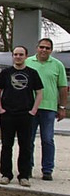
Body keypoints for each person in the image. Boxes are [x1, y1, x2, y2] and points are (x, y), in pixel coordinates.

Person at [0, 46, 43, 187]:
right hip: (7, 114)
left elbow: (39, 93)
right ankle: (6, 174)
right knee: (6, 145)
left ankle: (24, 175)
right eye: (15, 54)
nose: (18, 57)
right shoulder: (5, 73)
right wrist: (0, 108)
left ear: (26, 56)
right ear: (13, 56)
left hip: (25, 115)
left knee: (26, 146)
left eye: (21, 54)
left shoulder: (32, 73)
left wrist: (33, 110)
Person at [25, 38, 68, 181]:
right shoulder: (28, 62)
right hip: (30, 107)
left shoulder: (58, 65)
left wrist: (62, 107)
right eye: (41, 47)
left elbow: (62, 87)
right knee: (28, 139)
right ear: (37, 48)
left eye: (47, 48)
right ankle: (27, 167)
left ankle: (47, 170)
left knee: (48, 139)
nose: (44, 50)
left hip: (49, 108)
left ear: (51, 50)